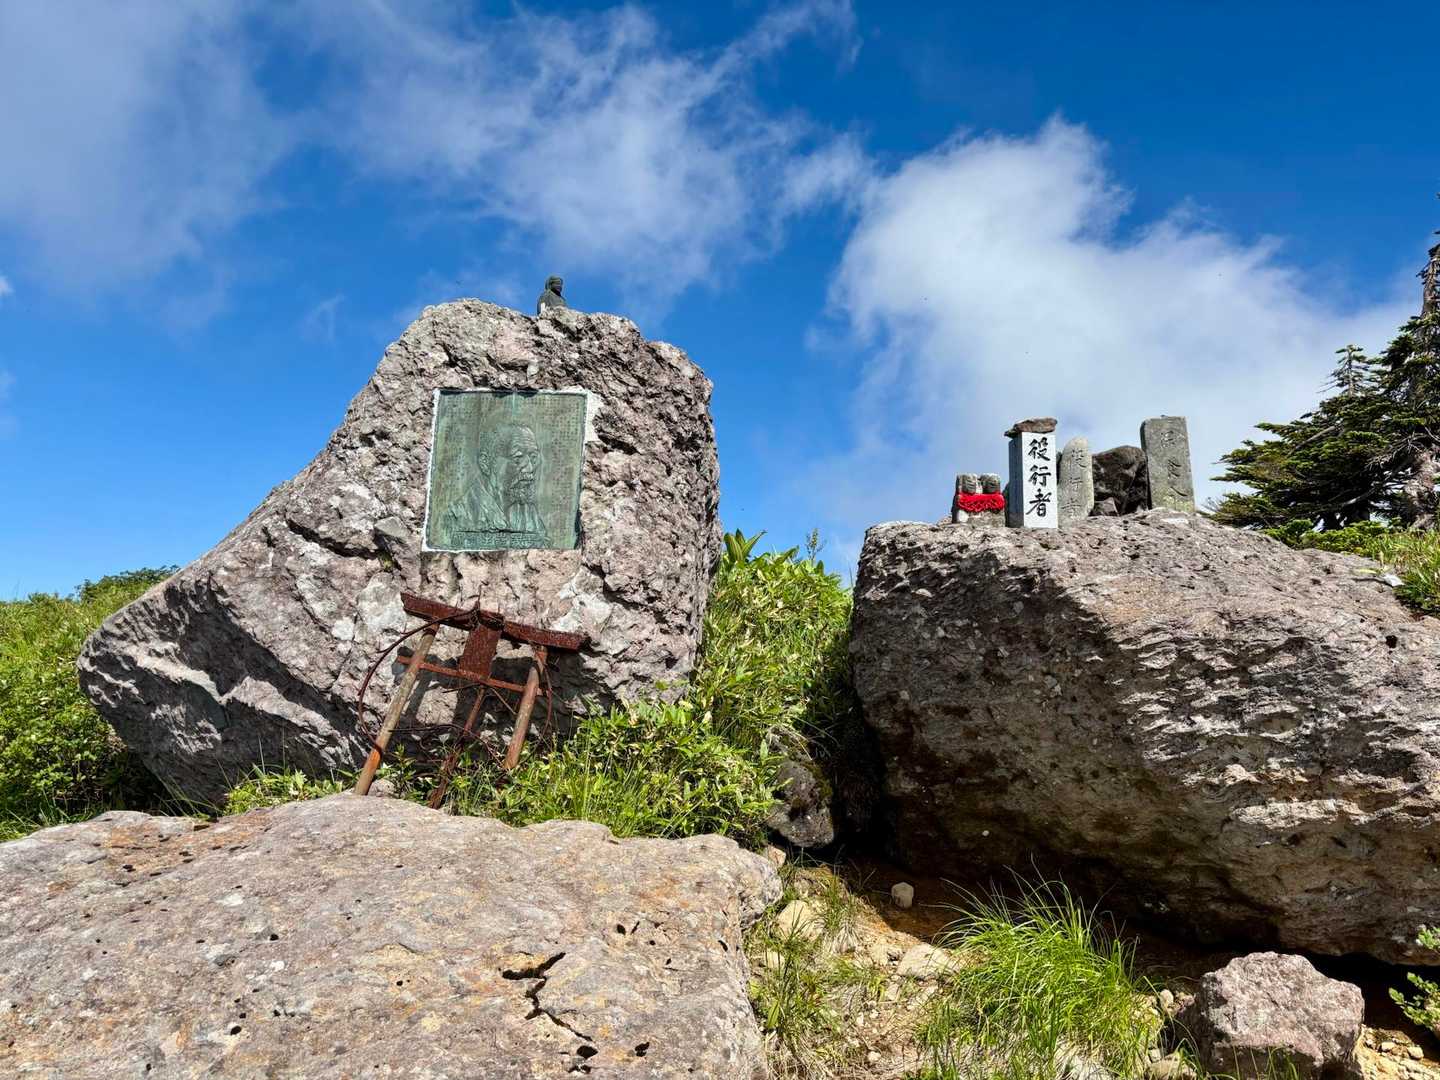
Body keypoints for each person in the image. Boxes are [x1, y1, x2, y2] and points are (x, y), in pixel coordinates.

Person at [445, 424, 550, 546]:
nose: (530, 468)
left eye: (533, 457)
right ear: (485, 463)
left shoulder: (529, 514)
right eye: (518, 458)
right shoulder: (459, 514)